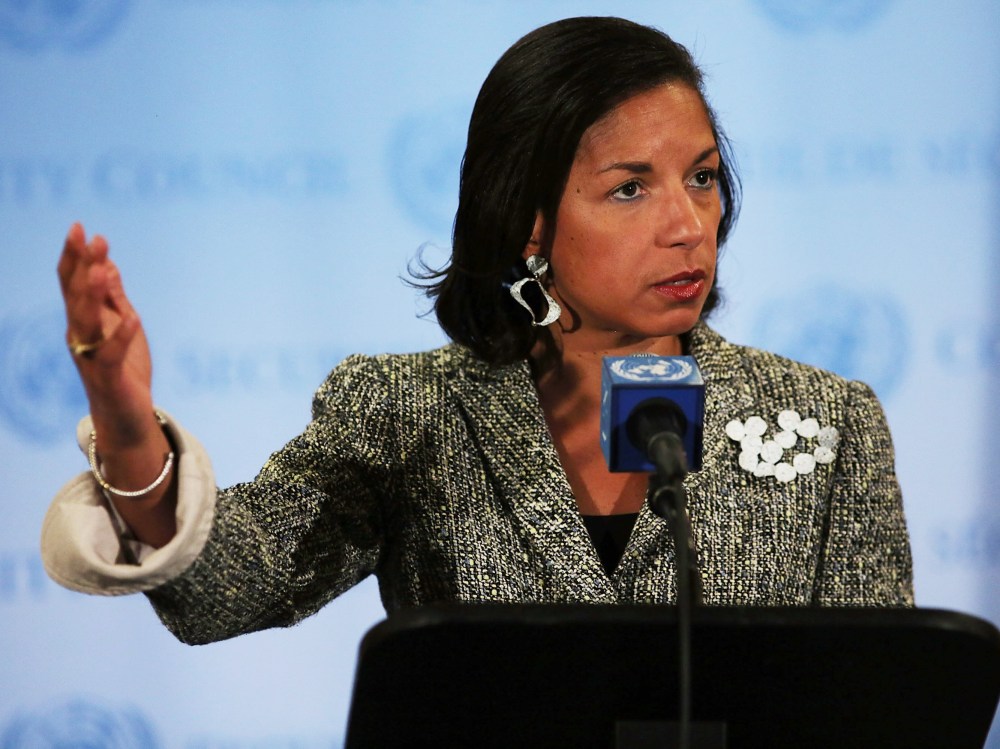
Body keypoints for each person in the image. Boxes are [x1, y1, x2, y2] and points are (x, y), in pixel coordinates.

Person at [42, 16, 913, 645]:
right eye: (630, 188)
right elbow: (221, 592)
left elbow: (884, 708)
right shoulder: (406, 412)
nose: (689, 224)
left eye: (703, 177)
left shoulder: (828, 423)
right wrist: (125, 418)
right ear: (529, 221)